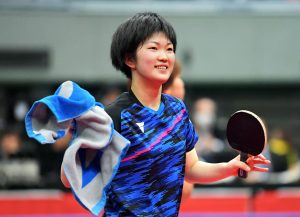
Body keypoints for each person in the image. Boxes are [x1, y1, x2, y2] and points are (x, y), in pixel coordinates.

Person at [61, 12, 270, 216]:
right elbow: (68, 179)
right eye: (153, 48)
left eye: (169, 49)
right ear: (129, 59)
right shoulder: (115, 116)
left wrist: (230, 167)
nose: (164, 56)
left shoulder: (177, 111)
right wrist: (82, 137)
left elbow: (192, 168)